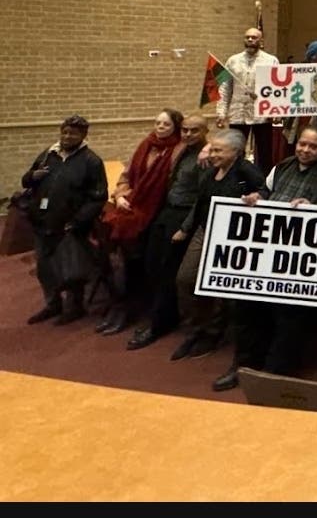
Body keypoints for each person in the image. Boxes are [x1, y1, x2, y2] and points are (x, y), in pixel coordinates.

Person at [214, 123, 317, 391]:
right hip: (266, 254)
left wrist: (315, 209)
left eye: (312, 146)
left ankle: (276, 373)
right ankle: (244, 367)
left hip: (302, 262)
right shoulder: (282, 166)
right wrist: (257, 197)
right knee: (247, 309)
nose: (305, 150)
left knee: (288, 317)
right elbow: (266, 192)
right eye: (302, 144)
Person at [170, 129, 265, 360]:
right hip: (204, 229)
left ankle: (213, 333)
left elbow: (263, 191)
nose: (212, 154)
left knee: (219, 287)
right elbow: (200, 202)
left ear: (235, 152)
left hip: (232, 237)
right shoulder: (210, 172)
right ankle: (196, 328)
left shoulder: (245, 171)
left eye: (218, 150)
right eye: (211, 149)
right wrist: (185, 228)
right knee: (186, 279)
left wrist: (258, 198)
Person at [93, 108, 184, 335]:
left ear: (175, 127)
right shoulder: (145, 145)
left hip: (156, 213)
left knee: (140, 263)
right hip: (133, 206)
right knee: (118, 257)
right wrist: (121, 195)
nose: (160, 127)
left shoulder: (178, 150)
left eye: (166, 124)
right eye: (158, 123)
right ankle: (121, 306)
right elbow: (126, 176)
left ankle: (132, 308)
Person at [126, 115, 210, 351]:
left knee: (167, 270)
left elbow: (202, 197)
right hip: (166, 211)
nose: (188, 134)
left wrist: (185, 227)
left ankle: (160, 323)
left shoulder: (206, 157)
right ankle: (158, 314)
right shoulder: (180, 150)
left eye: (194, 131)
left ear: (205, 131)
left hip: (184, 216)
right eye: (184, 130)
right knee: (151, 264)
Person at [23, 115, 108, 326]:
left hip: (69, 225)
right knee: (45, 268)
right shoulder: (48, 154)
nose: (67, 136)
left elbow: (98, 197)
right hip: (43, 221)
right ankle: (53, 304)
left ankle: (74, 307)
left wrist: (77, 222)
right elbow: (26, 181)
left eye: (73, 133)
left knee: (70, 268)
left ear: (83, 135)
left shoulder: (91, 161)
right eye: (65, 132)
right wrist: (33, 176)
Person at [215, 26, 279, 174]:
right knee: (235, 149)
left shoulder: (271, 60)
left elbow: (276, 89)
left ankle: (264, 181)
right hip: (238, 112)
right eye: (247, 37)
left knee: (264, 152)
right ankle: (235, 177)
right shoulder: (233, 60)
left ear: (261, 41)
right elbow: (225, 88)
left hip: (262, 113)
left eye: (254, 37)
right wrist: (221, 112)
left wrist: (276, 112)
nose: (250, 40)